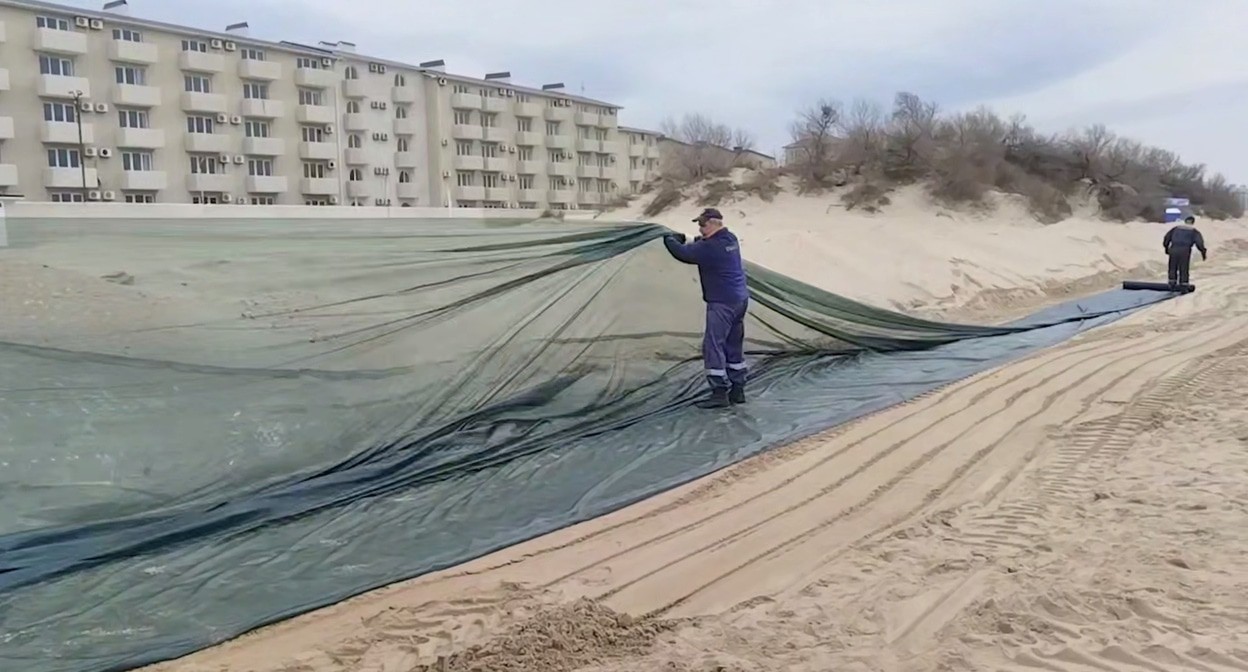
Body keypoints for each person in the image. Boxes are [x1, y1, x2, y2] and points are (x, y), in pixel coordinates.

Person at [662, 207, 749, 409]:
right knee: (733, 345)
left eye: (703, 224)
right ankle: (738, 389)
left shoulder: (711, 248)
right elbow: (700, 243)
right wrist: (686, 237)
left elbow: (683, 253)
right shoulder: (730, 240)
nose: (700, 229)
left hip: (721, 303)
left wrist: (668, 239)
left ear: (714, 224)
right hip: (739, 300)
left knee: (713, 345)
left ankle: (719, 393)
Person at [1162, 215, 1208, 289]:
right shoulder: (1194, 231)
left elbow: (1167, 238)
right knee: (1184, 267)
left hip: (1174, 248)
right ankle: (1184, 284)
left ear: (1185, 221)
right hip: (1185, 250)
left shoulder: (1176, 228)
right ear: (1193, 222)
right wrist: (1203, 252)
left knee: (1172, 266)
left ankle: (1172, 282)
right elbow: (1199, 243)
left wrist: (1166, 247)